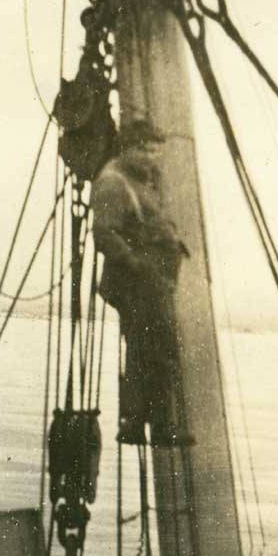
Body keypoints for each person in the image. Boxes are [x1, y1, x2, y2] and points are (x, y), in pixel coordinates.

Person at [92, 129, 191, 447]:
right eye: (146, 151)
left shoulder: (142, 180)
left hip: (152, 279)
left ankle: (138, 423)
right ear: (130, 150)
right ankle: (156, 425)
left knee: (146, 351)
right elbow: (104, 234)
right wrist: (137, 264)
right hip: (137, 282)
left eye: (156, 151)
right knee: (157, 350)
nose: (152, 158)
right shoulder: (114, 182)